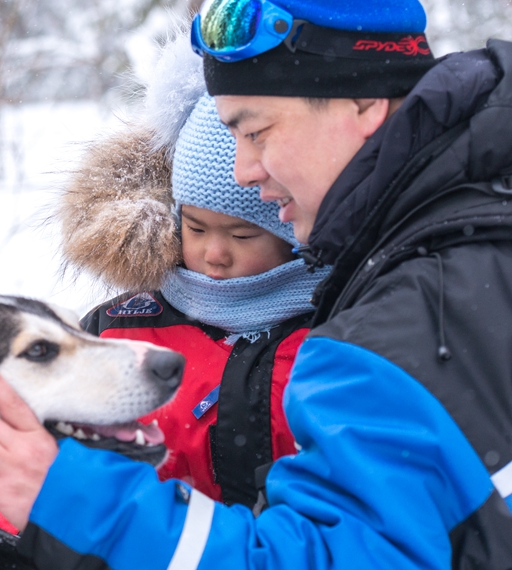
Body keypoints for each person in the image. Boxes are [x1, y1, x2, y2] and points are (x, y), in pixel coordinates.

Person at [0, 0, 512, 570]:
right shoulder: (471, 236)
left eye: (254, 129)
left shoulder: (422, 308)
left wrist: (61, 489)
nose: (244, 171)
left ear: (364, 107)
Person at [56, 45, 326, 505]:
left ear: (293, 231)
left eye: (243, 236)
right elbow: (53, 472)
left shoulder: (335, 326)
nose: (214, 254)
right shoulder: (123, 327)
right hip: (138, 569)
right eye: (196, 229)